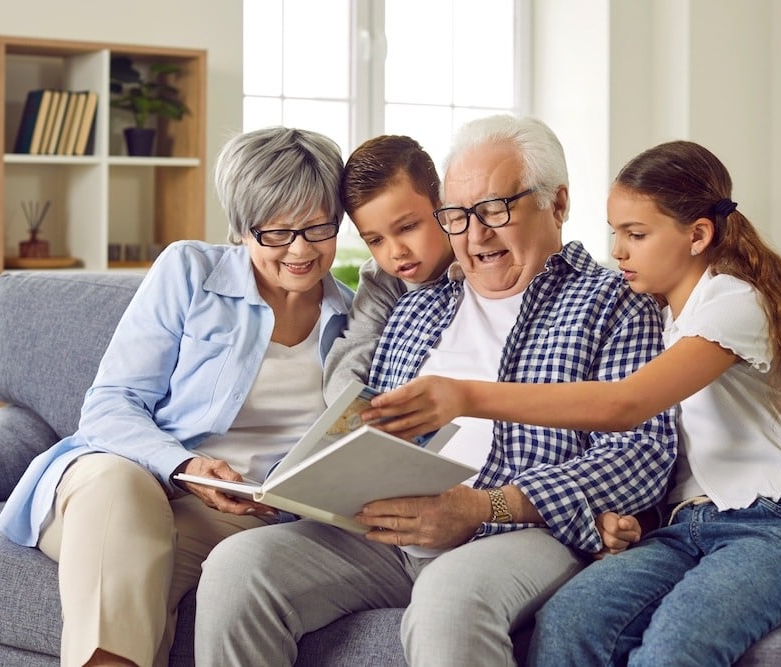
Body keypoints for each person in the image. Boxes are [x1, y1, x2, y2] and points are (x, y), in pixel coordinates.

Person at [193, 114, 678, 667]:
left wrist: (480, 506)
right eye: (459, 216)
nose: (476, 235)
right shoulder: (418, 303)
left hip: (518, 531)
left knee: (448, 599)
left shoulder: (616, 303)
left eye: (497, 209)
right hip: (387, 532)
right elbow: (365, 422)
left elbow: (641, 454)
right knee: (238, 568)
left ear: (558, 204)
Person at [363, 139, 781, 666]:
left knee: (677, 643)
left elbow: (626, 406)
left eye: (636, 234)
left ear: (698, 235)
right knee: (571, 619)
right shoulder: (661, 316)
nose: (619, 251)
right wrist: (633, 522)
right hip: (686, 528)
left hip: (780, 528)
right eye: (615, 234)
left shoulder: (734, 303)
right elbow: (670, 457)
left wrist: (465, 396)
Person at [0, 126, 353, 667]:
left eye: (317, 227)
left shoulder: (354, 316)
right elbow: (110, 404)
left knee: (139, 581)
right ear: (241, 229)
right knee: (123, 493)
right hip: (122, 478)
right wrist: (185, 466)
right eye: (276, 232)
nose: (300, 249)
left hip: (243, 516)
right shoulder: (190, 271)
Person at [323, 134, 454, 402]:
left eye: (407, 227)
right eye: (375, 240)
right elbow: (351, 354)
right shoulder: (380, 280)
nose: (396, 252)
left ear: (443, 207)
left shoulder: (479, 262)